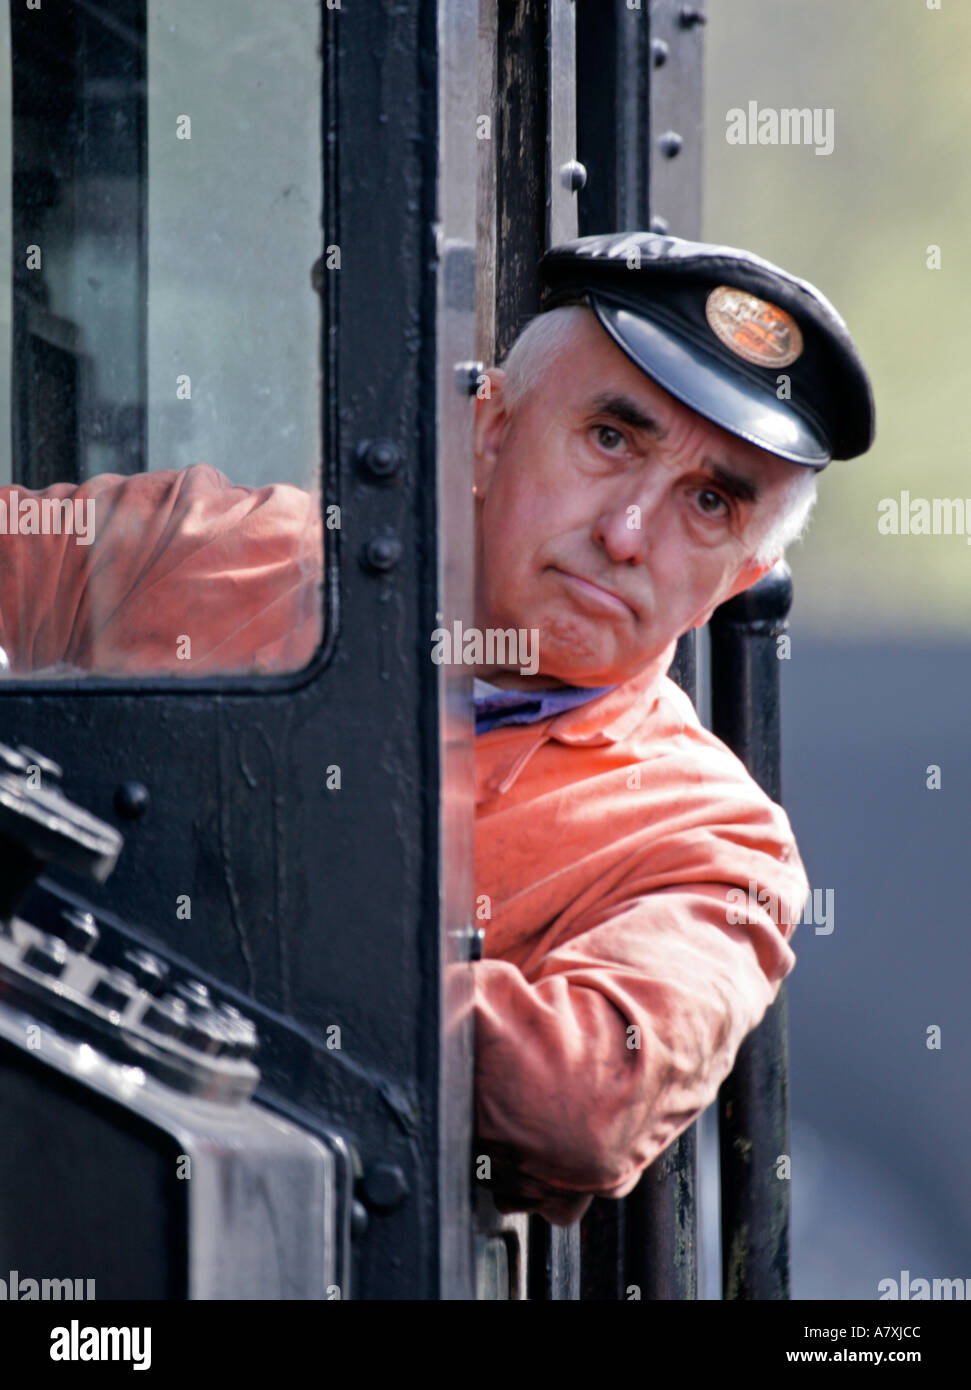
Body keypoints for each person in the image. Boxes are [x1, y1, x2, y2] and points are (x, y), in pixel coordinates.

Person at [0, 231, 875, 1226]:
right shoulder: (202, 548)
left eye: (708, 502)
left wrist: (137, 929)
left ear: (741, 580)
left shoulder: (709, 849)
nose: (625, 533)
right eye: (608, 439)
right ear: (487, 427)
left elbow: (577, 1096)